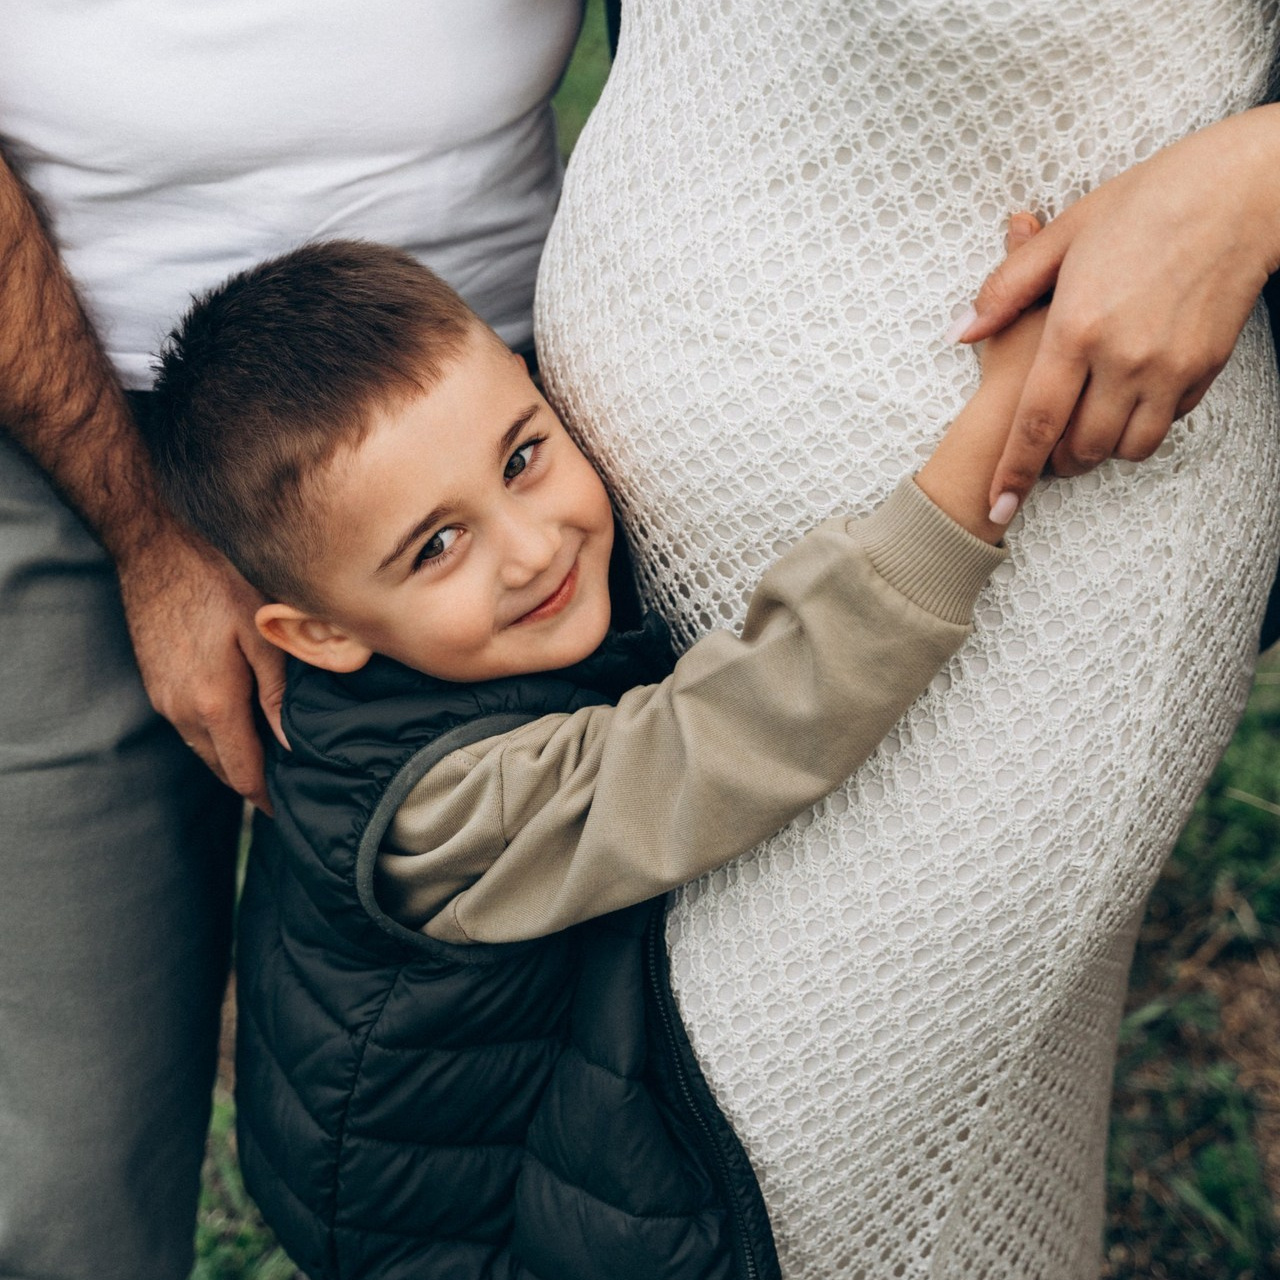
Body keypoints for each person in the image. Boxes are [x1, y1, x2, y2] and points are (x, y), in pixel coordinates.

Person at [534, 2, 1280, 1275]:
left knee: (779, 1181)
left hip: (1037, 555)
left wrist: (1261, 170)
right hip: (634, 569)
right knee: (979, 1185)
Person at [139, 237, 1047, 1276]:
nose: (531, 547)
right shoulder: (442, 809)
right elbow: (723, 739)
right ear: (320, 637)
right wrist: (987, 446)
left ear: (534, 387)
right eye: (436, 546)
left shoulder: (436, 650)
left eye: (521, 456)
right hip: (458, 1239)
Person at [0, 6, 585, 1277]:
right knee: (57, 1158)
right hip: (61, 396)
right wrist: (149, 537)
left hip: (489, 400)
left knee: (548, 1068)